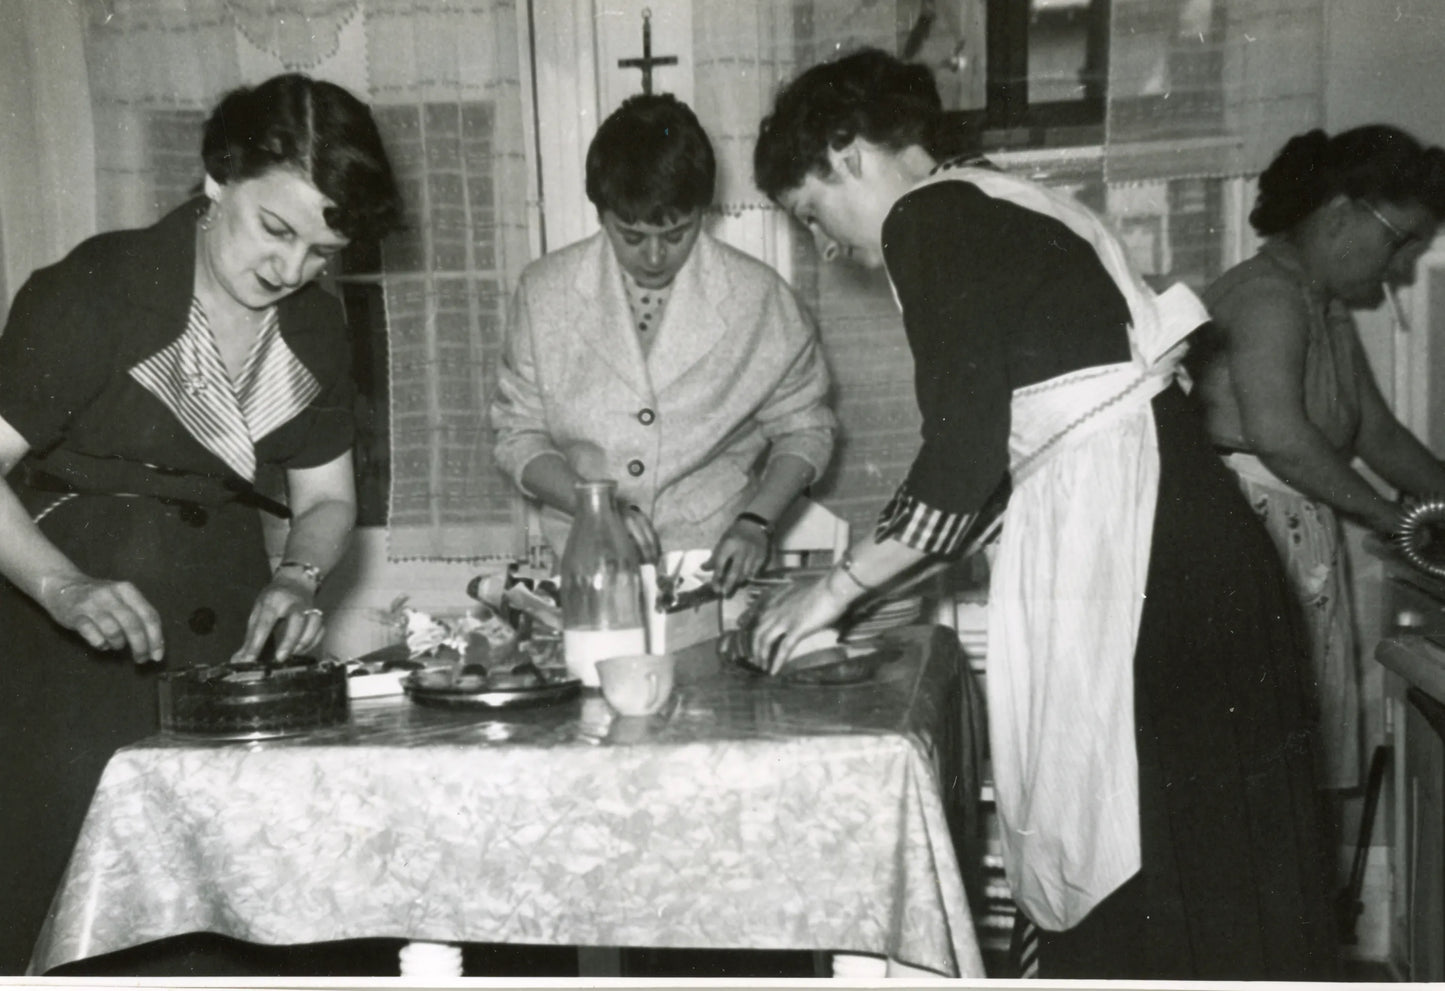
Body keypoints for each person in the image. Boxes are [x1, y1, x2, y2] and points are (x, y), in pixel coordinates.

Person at [748, 49, 1336, 980]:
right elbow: (1043, 425)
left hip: (1140, 557)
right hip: (1187, 534)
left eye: (811, 213)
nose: (825, 244)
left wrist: (832, 590)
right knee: (1218, 867)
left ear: (845, 150)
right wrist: (914, 565)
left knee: (1143, 856)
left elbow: (960, 456)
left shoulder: (925, 218)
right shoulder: (1004, 198)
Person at [0, 74, 401, 974]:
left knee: (229, 911)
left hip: (222, 635)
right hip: (67, 638)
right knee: (83, 914)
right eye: (277, 229)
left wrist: (297, 576)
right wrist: (61, 585)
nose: (293, 270)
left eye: (320, 249)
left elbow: (326, 497)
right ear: (217, 178)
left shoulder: (315, 324)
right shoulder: (94, 289)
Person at [490, 93, 835, 593]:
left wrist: (757, 521)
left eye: (677, 233)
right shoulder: (545, 292)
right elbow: (518, 435)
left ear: (704, 211)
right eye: (631, 236)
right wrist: (597, 508)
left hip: (712, 563)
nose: (654, 257)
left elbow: (807, 427)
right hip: (587, 564)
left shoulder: (759, 298)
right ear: (601, 213)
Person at [1192, 126, 1445, 792]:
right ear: (1338, 216)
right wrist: (1391, 518)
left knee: (1288, 770)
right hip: (1245, 541)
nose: (1401, 269)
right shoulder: (1267, 298)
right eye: (1400, 243)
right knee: (1259, 769)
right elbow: (1277, 436)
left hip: (1291, 537)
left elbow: (1376, 435)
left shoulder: (1317, 302)